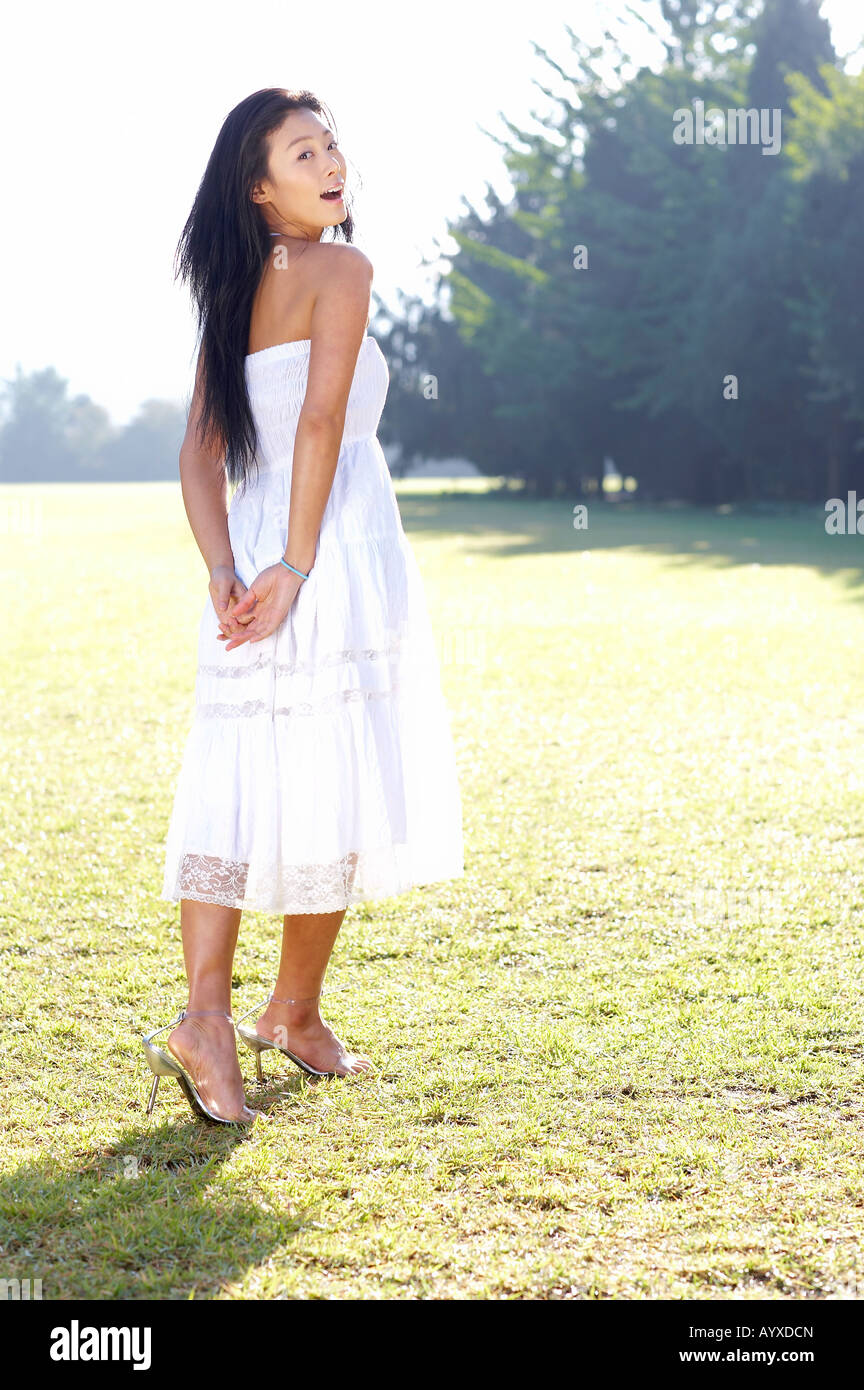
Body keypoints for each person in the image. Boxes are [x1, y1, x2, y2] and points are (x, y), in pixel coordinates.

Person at [144, 88, 463, 1126]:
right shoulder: (341, 269)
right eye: (303, 151)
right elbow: (323, 416)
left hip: (260, 556)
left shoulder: (235, 292)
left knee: (243, 771)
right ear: (259, 186)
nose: (332, 164)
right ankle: (276, 1009)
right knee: (331, 766)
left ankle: (257, 1014)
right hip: (321, 551)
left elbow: (197, 457)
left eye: (332, 146)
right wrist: (291, 563)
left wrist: (223, 567)